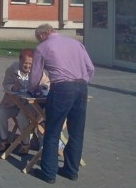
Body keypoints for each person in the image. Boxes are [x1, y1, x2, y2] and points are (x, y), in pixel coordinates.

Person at [29, 24, 94, 184]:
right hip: (81, 87)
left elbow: (35, 74)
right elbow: (90, 68)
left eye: (38, 38)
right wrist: (83, 82)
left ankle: (48, 173)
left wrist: (33, 90)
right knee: (76, 131)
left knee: (52, 131)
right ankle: (71, 171)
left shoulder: (43, 47)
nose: (38, 41)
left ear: (42, 34)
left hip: (61, 88)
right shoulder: (76, 43)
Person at [0, 48, 49, 155]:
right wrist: (13, 87)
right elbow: (6, 84)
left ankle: (26, 143)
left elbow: (47, 84)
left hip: (30, 105)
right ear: (20, 61)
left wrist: (41, 87)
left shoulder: (38, 71)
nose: (28, 66)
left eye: (30, 64)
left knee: (22, 117)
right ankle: (4, 140)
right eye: (25, 63)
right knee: (0, 113)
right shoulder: (11, 69)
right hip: (12, 102)